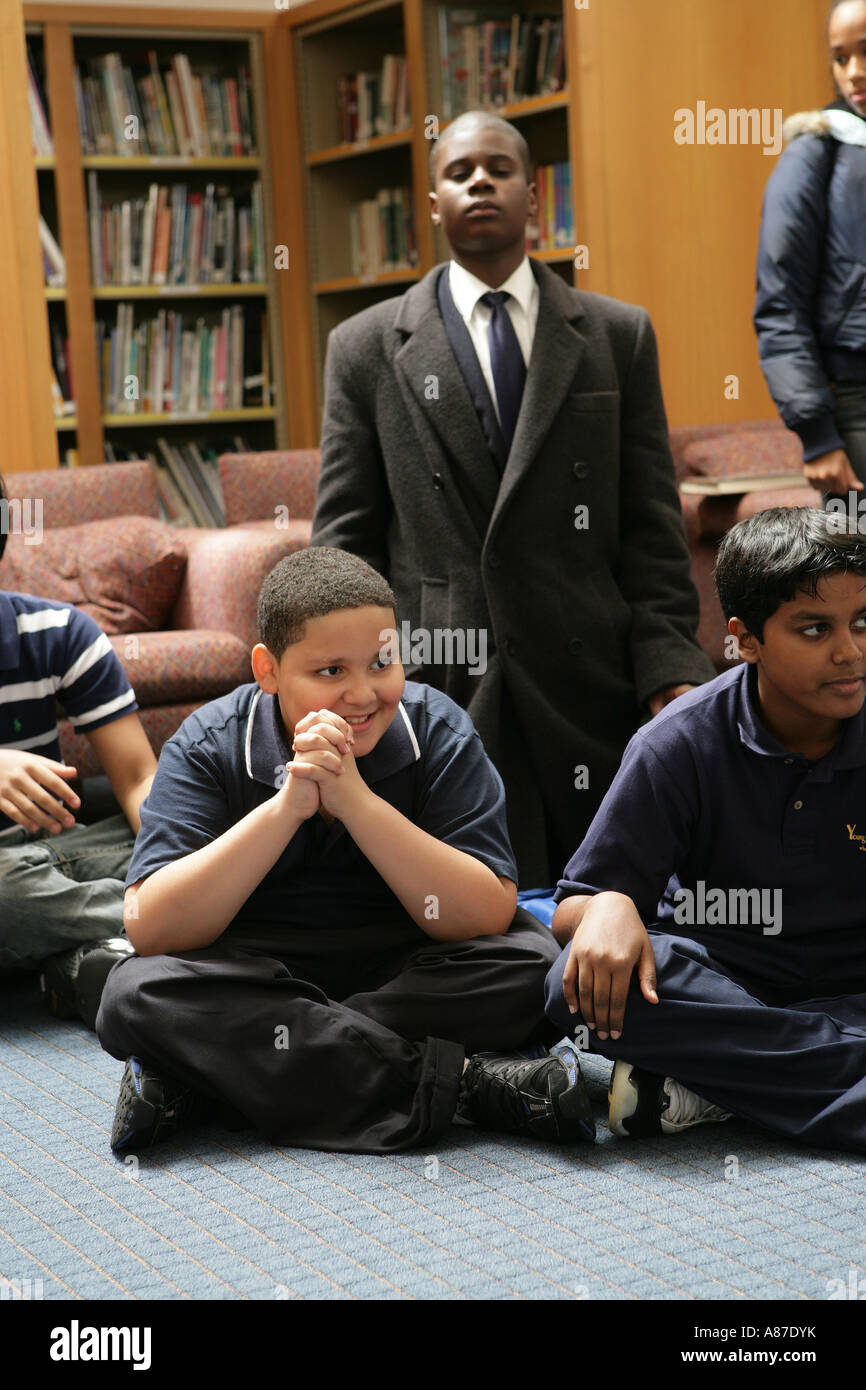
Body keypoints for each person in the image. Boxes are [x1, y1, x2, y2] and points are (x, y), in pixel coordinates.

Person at [311, 110, 714, 889]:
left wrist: (671, 669)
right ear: (433, 206)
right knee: (469, 912)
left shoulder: (615, 334)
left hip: (587, 672)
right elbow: (346, 542)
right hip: (442, 676)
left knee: (615, 898)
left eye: (498, 168)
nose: (479, 182)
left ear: (535, 195)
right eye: (459, 173)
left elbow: (653, 529)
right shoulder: (363, 347)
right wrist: (346, 677)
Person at [98, 547, 594, 1155]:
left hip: (398, 963)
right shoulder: (207, 744)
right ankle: (467, 1085)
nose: (363, 694)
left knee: (526, 968)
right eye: (330, 671)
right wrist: (286, 808)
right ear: (268, 670)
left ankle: (225, 1075)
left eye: (382, 662)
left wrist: (357, 802)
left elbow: (486, 913)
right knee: (133, 995)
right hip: (256, 966)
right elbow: (152, 928)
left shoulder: (439, 731)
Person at [543, 507, 866, 1153]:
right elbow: (577, 905)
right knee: (573, 985)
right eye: (813, 628)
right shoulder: (676, 743)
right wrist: (606, 905)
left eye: (862, 622)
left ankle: (721, 1084)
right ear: (746, 641)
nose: (849, 650)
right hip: (730, 975)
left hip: (851, 979)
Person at [0, 473, 156, 1027]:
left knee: (211, 825)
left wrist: (186, 856)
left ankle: (75, 954)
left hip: (64, 847)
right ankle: (171, 918)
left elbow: (139, 777)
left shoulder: (60, 631)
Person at [755, 0, 866, 498]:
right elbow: (779, 304)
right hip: (856, 407)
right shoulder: (814, 150)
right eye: (841, 58)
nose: (854, 73)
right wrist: (818, 436)